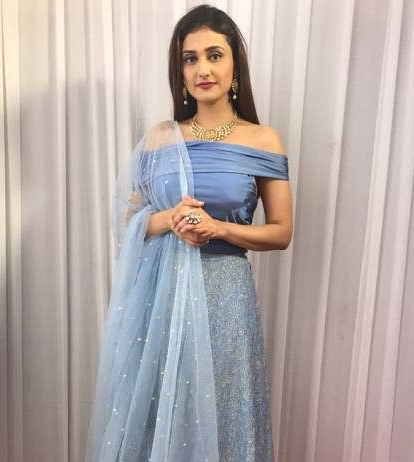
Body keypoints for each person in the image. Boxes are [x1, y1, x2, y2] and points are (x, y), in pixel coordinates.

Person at [85, 4, 292, 462]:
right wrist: (169, 220)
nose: (203, 70)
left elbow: (281, 232)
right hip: (162, 297)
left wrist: (218, 227)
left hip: (224, 297)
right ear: (179, 71)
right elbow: (130, 222)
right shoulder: (161, 138)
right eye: (190, 58)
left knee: (223, 413)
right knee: (160, 414)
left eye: (214, 55)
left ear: (235, 65)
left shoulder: (262, 139)